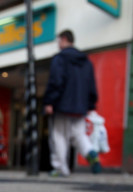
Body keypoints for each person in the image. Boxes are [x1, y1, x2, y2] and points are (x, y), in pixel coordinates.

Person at [43, 29, 102, 176]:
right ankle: (91, 153)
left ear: (63, 39)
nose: (58, 44)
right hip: (80, 107)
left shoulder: (60, 59)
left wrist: (49, 101)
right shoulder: (86, 62)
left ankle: (60, 168)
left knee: (59, 136)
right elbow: (91, 85)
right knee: (79, 135)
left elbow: (56, 81)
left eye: (58, 41)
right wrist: (90, 104)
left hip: (62, 105)